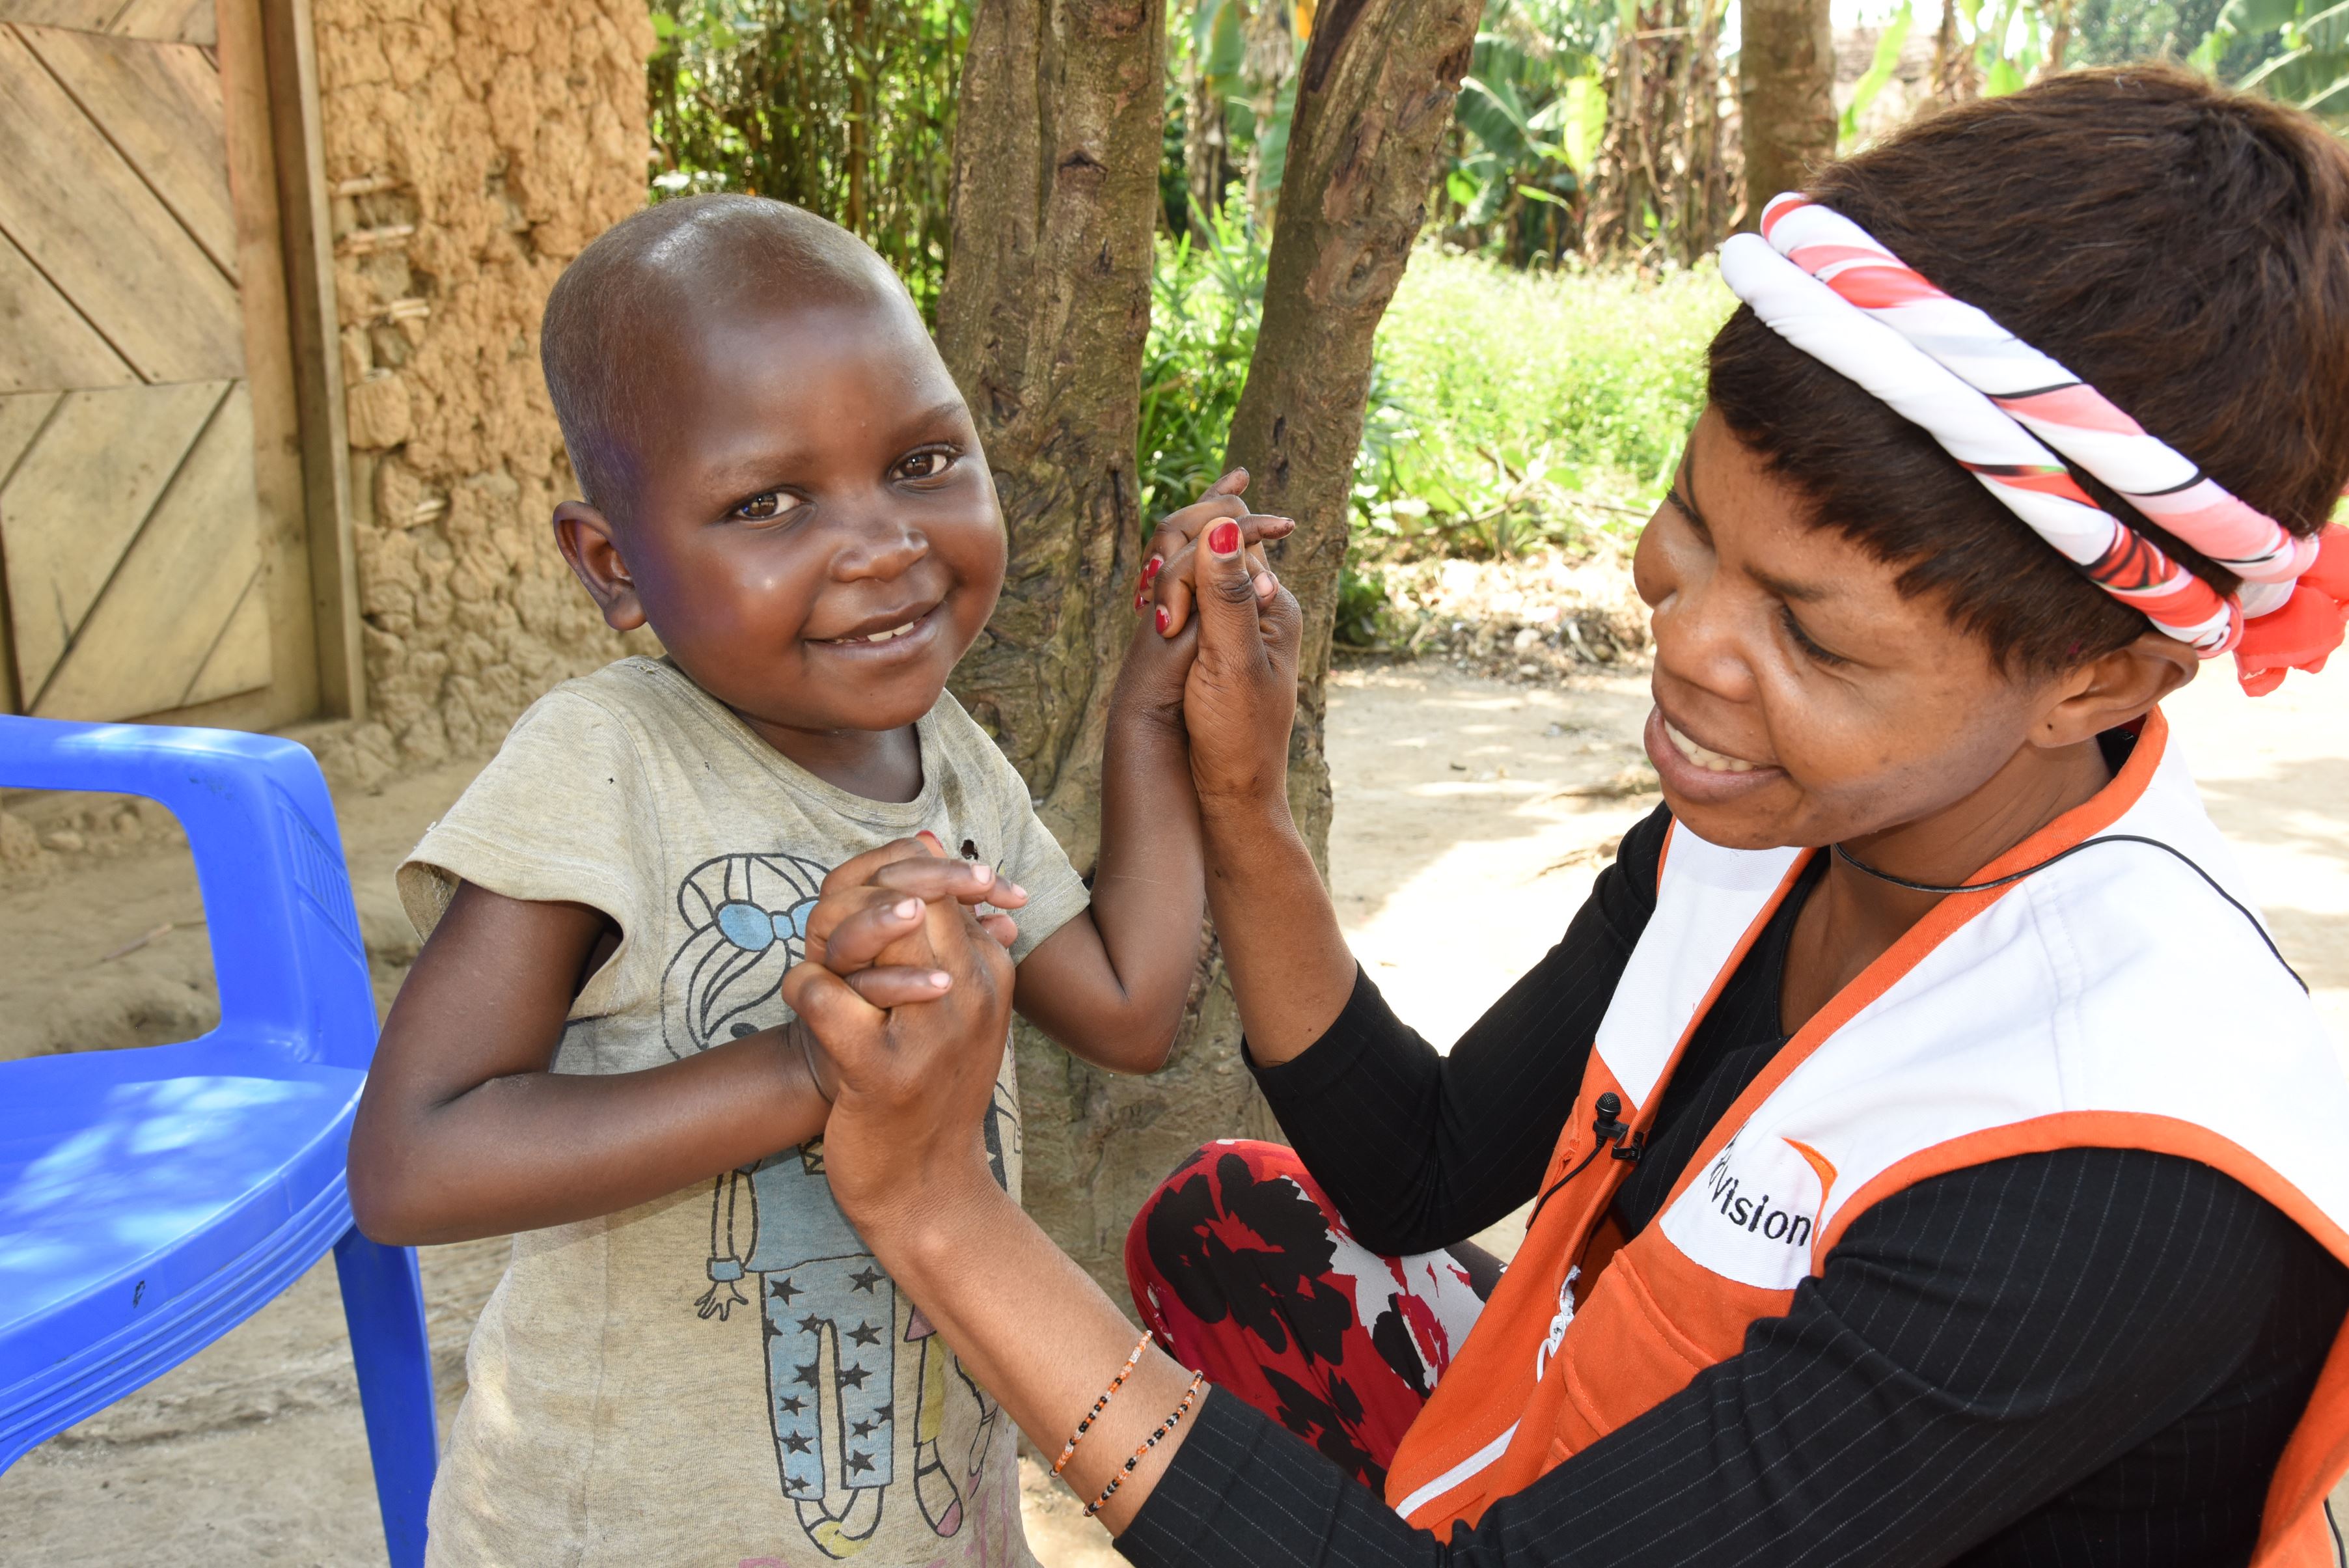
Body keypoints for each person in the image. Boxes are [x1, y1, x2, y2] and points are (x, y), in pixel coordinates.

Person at [783, 66, 2349, 1567]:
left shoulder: (2108, 1176)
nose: (1685, 637)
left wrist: (936, 1209)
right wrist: (1242, 794)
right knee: (1235, 1226)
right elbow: (1418, 1168)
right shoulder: (1784, 832)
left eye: (1808, 636)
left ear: (2097, 675)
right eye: (1691, 518)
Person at [344, 195, 1285, 1567]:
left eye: (922, 461)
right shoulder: (608, 761)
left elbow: (1131, 1004)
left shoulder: (947, 755)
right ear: (614, 565)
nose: (882, 543)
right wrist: (811, 1067)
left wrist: (1155, 710)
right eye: (765, 503)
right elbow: (411, 1161)